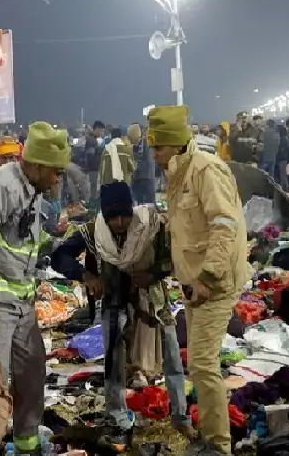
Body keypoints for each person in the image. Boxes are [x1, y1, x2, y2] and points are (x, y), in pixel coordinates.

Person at [0, 121, 69, 456]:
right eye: (55, 172)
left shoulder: (32, 192)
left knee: (32, 378)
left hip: (22, 303)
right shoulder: (1, 188)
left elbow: (20, 246)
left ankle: (26, 445)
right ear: (36, 164)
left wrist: (60, 240)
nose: (58, 179)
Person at [50, 182, 194, 448]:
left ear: (132, 210)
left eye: (124, 215)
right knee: (113, 365)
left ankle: (180, 416)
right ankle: (118, 418)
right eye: (112, 216)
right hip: (114, 303)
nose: (119, 222)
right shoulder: (95, 231)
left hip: (152, 301)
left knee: (172, 357)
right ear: (103, 215)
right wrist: (86, 275)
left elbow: (174, 256)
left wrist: (152, 274)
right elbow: (59, 257)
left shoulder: (151, 225)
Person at [146, 105, 250, 456]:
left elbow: (225, 225)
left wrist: (207, 276)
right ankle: (209, 435)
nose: (154, 153)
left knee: (203, 363)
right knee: (200, 363)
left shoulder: (206, 169)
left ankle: (219, 447)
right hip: (194, 284)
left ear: (175, 145)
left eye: (158, 146)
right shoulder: (177, 174)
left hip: (215, 282)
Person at [130, 123, 156, 205]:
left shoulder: (146, 143)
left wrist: (135, 167)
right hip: (137, 178)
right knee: (139, 205)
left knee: (148, 205)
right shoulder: (134, 144)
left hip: (146, 177)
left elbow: (149, 161)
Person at [85, 120, 106, 201]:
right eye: (102, 131)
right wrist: (100, 153)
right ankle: (92, 209)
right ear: (97, 129)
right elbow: (91, 157)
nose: (102, 133)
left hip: (93, 169)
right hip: (93, 170)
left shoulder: (92, 139)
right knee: (93, 191)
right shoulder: (92, 141)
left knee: (93, 191)